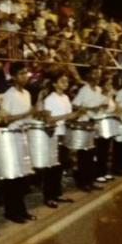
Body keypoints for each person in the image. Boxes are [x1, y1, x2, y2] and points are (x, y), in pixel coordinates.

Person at [0, 63, 38, 223]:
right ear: (13, 77)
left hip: (24, 136)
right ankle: (11, 211)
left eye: (26, 73)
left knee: (22, 178)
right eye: (21, 73)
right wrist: (26, 114)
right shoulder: (10, 94)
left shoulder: (27, 93)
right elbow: (5, 118)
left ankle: (21, 210)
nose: (25, 76)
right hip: (13, 137)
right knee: (13, 178)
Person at [42, 74, 82, 208]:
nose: (66, 83)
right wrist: (67, 116)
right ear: (54, 84)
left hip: (63, 134)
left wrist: (76, 115)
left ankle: (57, 193)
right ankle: (48, 197)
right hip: (53, 135)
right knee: (51, 168)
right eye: (62, 81)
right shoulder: (49, 99)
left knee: (60, 167)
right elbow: (48, 119)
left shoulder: (65, 98)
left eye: (66, 80)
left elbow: (68, 118)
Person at [71, 67, 105, 191]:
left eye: (99, 74)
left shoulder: (99, 90)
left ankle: (90, 180)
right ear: (89, 75)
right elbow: (75, 105)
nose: (97, 76)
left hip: (93, 124)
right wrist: (87, 110)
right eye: (95, 73)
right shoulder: (84, 90)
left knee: (91, 154)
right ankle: (83, 182)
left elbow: (99, 106)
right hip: (84, 124)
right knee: (84, 155)